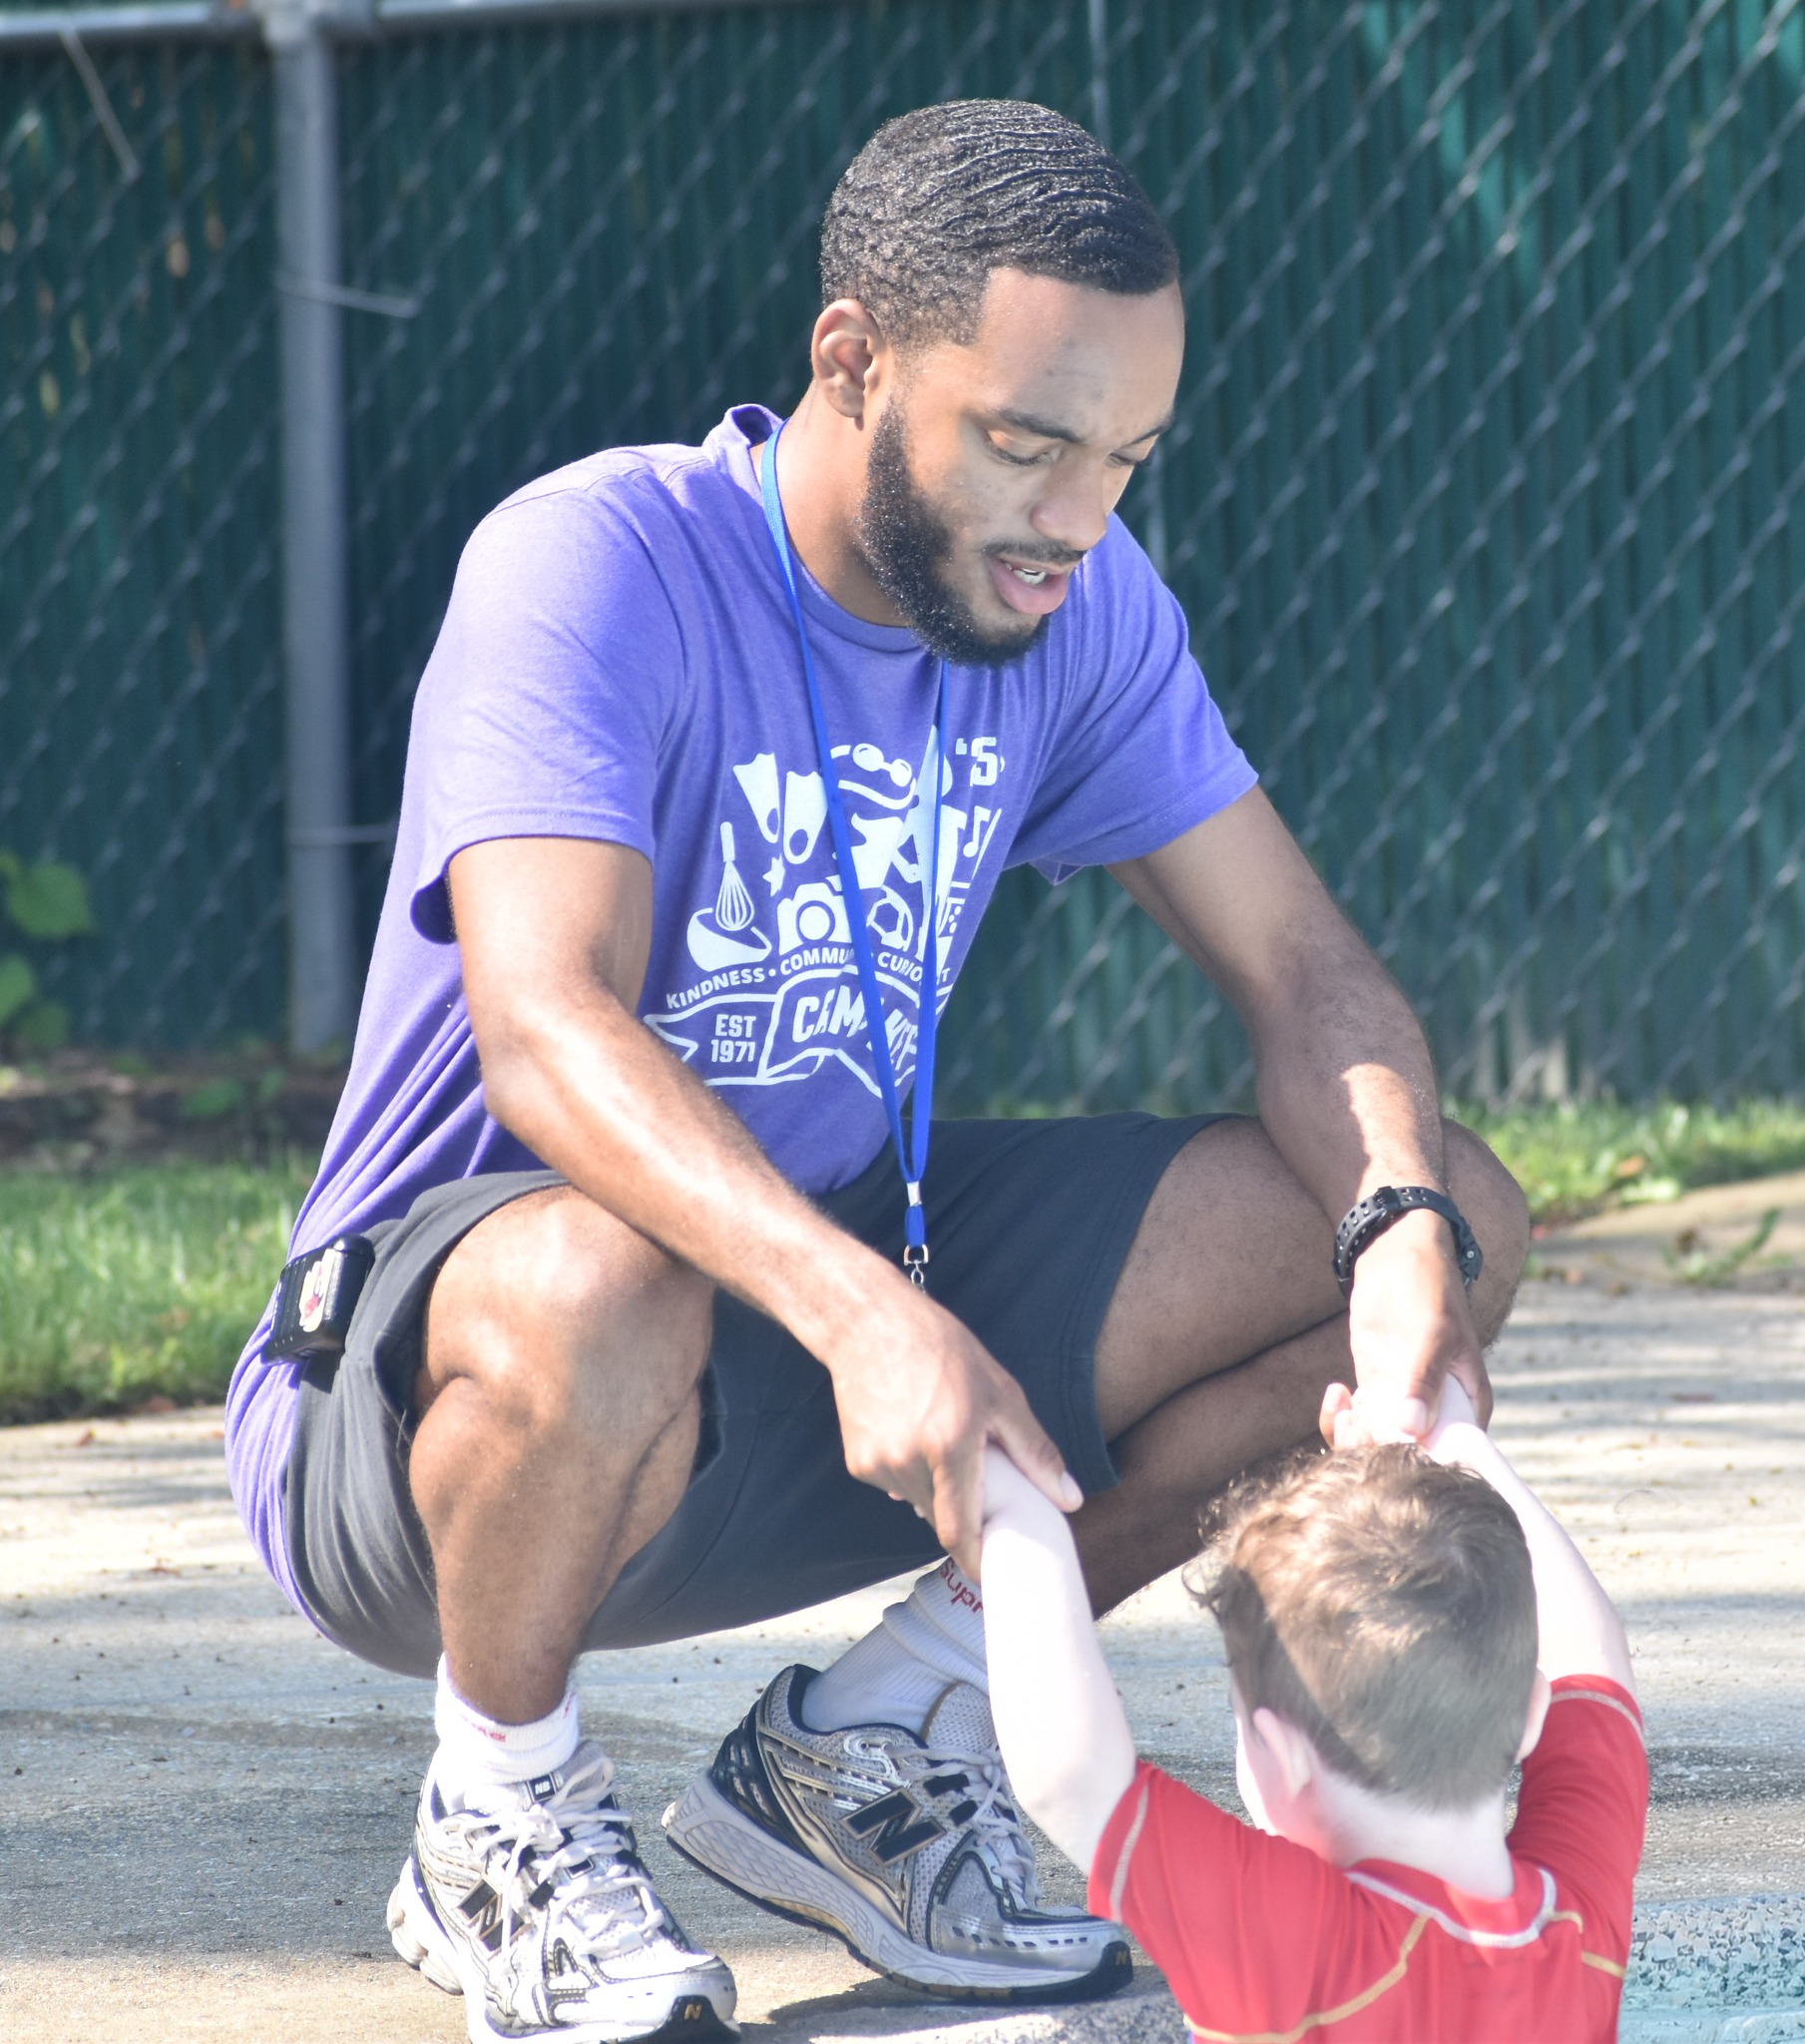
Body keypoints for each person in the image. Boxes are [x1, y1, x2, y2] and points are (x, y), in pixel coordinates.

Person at [223, 98, 1531, 2044]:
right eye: (1027, 440)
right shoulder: (593, 563)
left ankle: (871, 1737)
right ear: (853, 357)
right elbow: (547, 1024)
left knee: (1425, 1208)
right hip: (435, 1414)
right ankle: (491, 1805)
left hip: (815, 1339)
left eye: (1124, 458)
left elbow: (1304, 968)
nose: (1075, 515)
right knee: (606, 1269)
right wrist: (861, 1317)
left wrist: (1407, 1244)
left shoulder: (1072, 606)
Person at [977, 1376, 1645, 2043]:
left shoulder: (1304, 1942)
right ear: (1533, 1709)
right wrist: (1451, 1436)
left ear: (1285, 1751)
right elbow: (1593, 1659)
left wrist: (1008, 1503)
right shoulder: (1577, 1921)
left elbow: (1071, 1773)